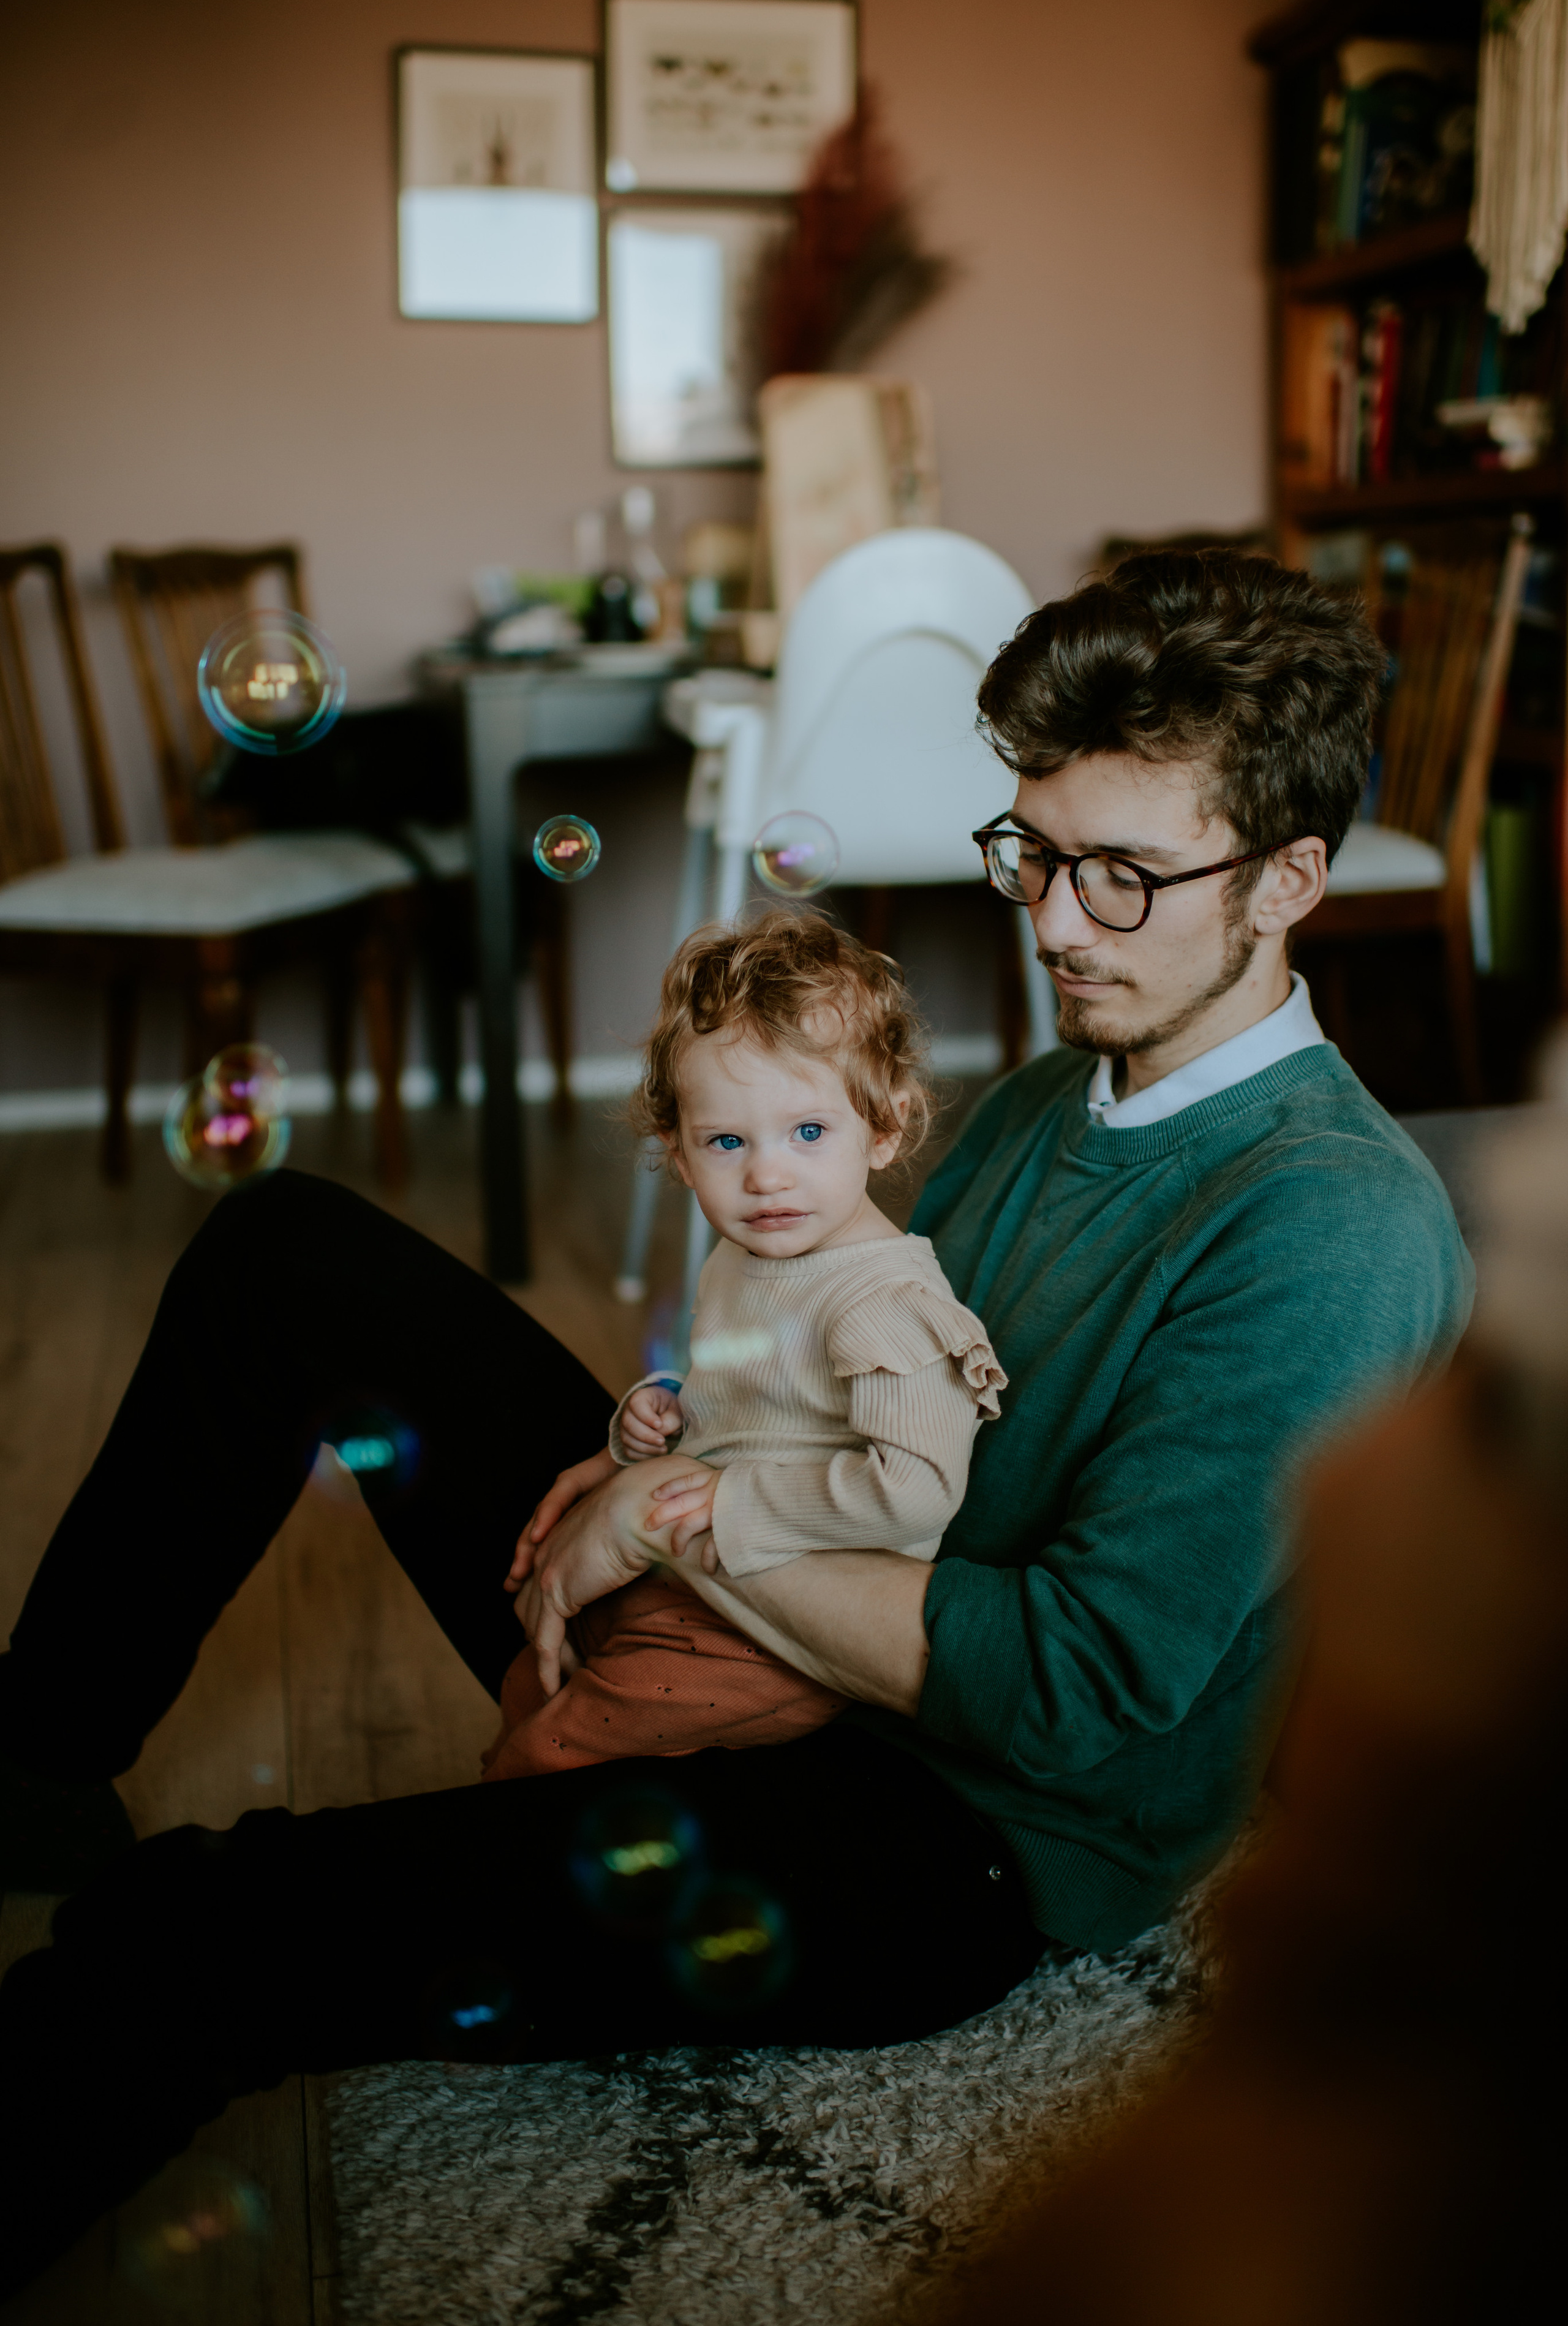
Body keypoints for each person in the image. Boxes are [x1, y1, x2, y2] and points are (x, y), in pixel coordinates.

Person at [0, 549, 1471, 2297]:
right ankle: (26, 1767)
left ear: (1289, 878)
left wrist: (680, 1515)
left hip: (948, 1828)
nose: (1057, 920)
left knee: (209, 1928)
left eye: (1126, 875)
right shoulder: (1044, 1097)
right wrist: (658, 1446)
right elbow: (828, 1347)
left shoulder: (1330, 1226)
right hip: (769, 1609)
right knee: (285, 1252)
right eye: (1036, 851)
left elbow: (1076, 1693)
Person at [484, 908, 1005, 1777]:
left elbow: (915, 1493)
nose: (766, 1175)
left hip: (778, 1637)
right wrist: (657, 1412)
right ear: (679, 1156)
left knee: (554, 1752)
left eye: (809, 1133)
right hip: (697, 1573)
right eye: (726, 1142)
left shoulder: (887, 1307)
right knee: (537, 1655)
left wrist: (722, 1505)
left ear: (884, 1128)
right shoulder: (749, 1253)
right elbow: (749, 1394)